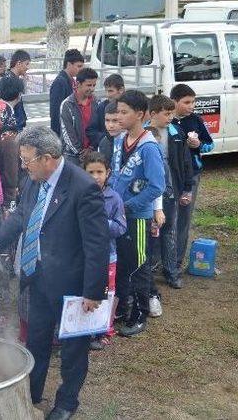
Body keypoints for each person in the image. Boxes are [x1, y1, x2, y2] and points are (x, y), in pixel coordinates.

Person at [0, 126, 109, 419]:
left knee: (74, 348)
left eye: (27, 160)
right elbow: (23, 215)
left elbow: (97, 244)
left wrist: (93, 291)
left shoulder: (83, 188)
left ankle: (66, 402)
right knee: (36, 339)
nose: (22, 165)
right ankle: (31, 391)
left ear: (48, 158)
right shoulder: (35, 179)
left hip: (72, 284)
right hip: (37, 276)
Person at [110, 90, 165, 337]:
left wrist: (129, 206)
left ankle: (141, 311)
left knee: (139, 264)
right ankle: (123, 306)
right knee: (121, 261)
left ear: (140, 114)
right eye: (118, 111)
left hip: (137, 216)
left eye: (124, 112)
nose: (118, 116)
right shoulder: (118, 140)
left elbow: (157, 186)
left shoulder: (149, 147)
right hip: (118, 214)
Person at [147, 94, 193, 289]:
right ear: (153, 114)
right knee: (149, 231)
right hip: (149, 192)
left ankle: (170, 272)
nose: (170, 118)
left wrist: (187, 187)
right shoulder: (144, 133)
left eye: (171, 114)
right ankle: (146, 271)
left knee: (168, 231)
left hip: (170, 189)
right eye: (166, 114)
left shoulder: (176, 132)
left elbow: (185, 161)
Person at [82, 151, 126, 350]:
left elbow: (121, 227)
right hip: (83, 256)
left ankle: (103, 330)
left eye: (99, 172)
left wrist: (101, 223)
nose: (95, 177)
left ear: (108, 173)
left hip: (108, 256)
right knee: (85, 291)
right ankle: (84, 330)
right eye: (90, 172)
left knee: (106, 293)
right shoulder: (79, 195)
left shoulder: (114, 198)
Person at [170, 83, 214, 270]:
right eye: (186, 102)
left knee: (183, 218)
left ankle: (177, 260)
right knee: (165, 216)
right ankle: (159, 258)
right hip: (170, 176)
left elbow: (209, 144)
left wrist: (198, 145)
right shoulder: (167, 120)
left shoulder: (197, 120)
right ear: (174, 102)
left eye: (193, 102)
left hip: (191, 176)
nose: (191, 106)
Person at [60, 67, 100, 165]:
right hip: (72, 156)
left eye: (94, 85)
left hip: (93, 153)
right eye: (89, 85)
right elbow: (67, 132)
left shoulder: (97, 103)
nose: (92, 89)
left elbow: (100, 128)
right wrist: (80, 152)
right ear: (78, 84)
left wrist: (91, 148)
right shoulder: (67, 104)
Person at [50, 49, 84, 137]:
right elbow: (55, 112)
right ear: (69, 64)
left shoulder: (72, 80)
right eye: (79, 66)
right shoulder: (60, 82)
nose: (81, 69)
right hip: (62, 133)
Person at [86, 73, 125, 145]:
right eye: (106, 91)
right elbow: (91, 131)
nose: (107, 95)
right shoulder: (101, 107)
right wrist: (108, 138)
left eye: (110, 91)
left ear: (121, 90)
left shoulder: (131, 106)